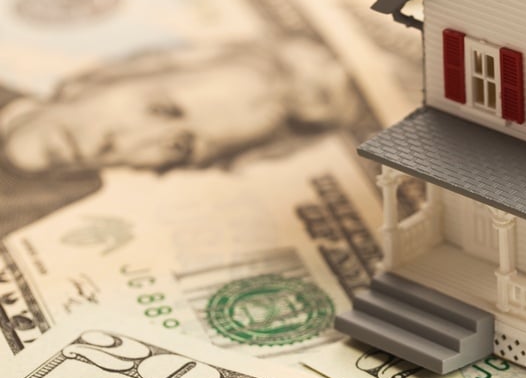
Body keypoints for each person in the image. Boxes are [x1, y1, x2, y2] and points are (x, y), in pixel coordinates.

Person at [0, 37, 359, 235]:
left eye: (178, 146)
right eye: (158, 108)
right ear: (116, 73)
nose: (128, 142)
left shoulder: (61, 200)